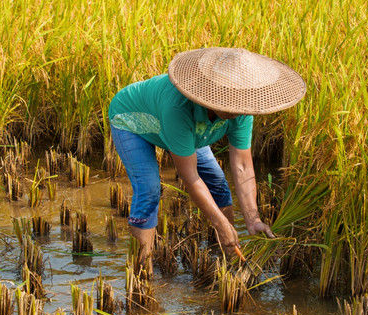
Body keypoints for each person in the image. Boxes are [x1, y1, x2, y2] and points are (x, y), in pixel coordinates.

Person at [108, 47, 306, 274]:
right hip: (133, 120)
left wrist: (252, 219)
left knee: (218, 183)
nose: (234, 108)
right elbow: (190, 176)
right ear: (211, 90)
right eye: (227, 99)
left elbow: (242, 166)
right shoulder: (178, 107)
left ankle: (228, 258)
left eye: (239, 100)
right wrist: (219, 223)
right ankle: (142, 271)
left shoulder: (241, 111)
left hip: (188, 132)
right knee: (149, 189)